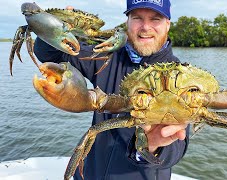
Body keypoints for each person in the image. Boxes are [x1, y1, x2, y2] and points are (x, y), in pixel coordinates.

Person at [34, 0, 189, 179]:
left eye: (155, 19)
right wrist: (56, 28)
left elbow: (179, 145)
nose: (146, 27)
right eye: (137, 18)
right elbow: (51, 55)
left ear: (167, 24)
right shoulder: (107, 55)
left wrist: (153, 146)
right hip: (90, 173)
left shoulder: (180, 74)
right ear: (127, 22)